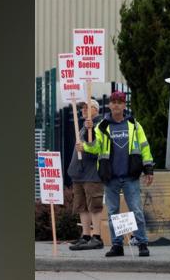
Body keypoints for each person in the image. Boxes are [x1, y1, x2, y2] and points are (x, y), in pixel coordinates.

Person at [77, 91, 154, 257]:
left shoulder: (134, 124)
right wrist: (86, 144)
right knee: (112, 213)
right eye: (114, 102)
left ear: (124, 105)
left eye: (120, 102)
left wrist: (148, 169)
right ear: (110, 105)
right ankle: (117, 245)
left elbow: (144, 147)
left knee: (136, 210)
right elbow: (96, 147)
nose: (117, 105)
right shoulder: (102, 126)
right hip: (110, 176)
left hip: (130, 176)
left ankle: (142, 243)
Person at [68, 99, 104, 250]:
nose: (83, 110)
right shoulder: (83, 127)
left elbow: (98, 146)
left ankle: (97, 237)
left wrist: (92, 129)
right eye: (82, 107)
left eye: (87, 107)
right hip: (80, 174)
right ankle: (86, 235)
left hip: (92, 174)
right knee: (82, 206)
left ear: (95, 110)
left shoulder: (99, 126)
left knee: (94, 205)